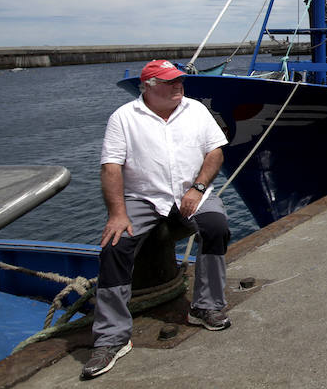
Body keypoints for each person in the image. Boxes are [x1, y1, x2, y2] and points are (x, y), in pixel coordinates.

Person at [81, 60, 230, 380]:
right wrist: (118, 214)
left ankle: (206, 306)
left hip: (193, 194)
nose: (179, 85)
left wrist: (198, 187)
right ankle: (111, 337)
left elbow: (215, 151)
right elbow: (110, 168)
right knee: (115, 245)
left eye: (179, 80)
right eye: (169, 81)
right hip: (143, 199)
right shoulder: (123, 118)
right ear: (148, 86)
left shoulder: (196, 110)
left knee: (216, 227)